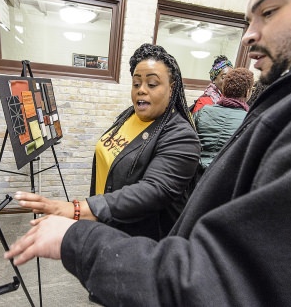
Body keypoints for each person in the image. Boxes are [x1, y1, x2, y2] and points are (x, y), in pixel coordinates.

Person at [5, 0, 291, 305]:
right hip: (122, 247)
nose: (248, 34)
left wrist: (76, 222)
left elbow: (158, 197)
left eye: (271, 10)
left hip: (144, 251)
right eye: (136, 83)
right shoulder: (127, 117)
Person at [13, 43, 200, 240]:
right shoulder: (129, 115)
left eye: (152, 84)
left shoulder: (182, 137)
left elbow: (153, 190)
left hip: (140, 244)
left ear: (171, 89)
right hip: (106, 224)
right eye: (136, 84)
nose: (141, 90)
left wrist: (78, 209)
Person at [194, 67, 253, 169]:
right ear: (247, 92)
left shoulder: (203, 111)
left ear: (224, 88)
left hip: (196, 175)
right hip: (223, 176)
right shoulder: (249, 120)